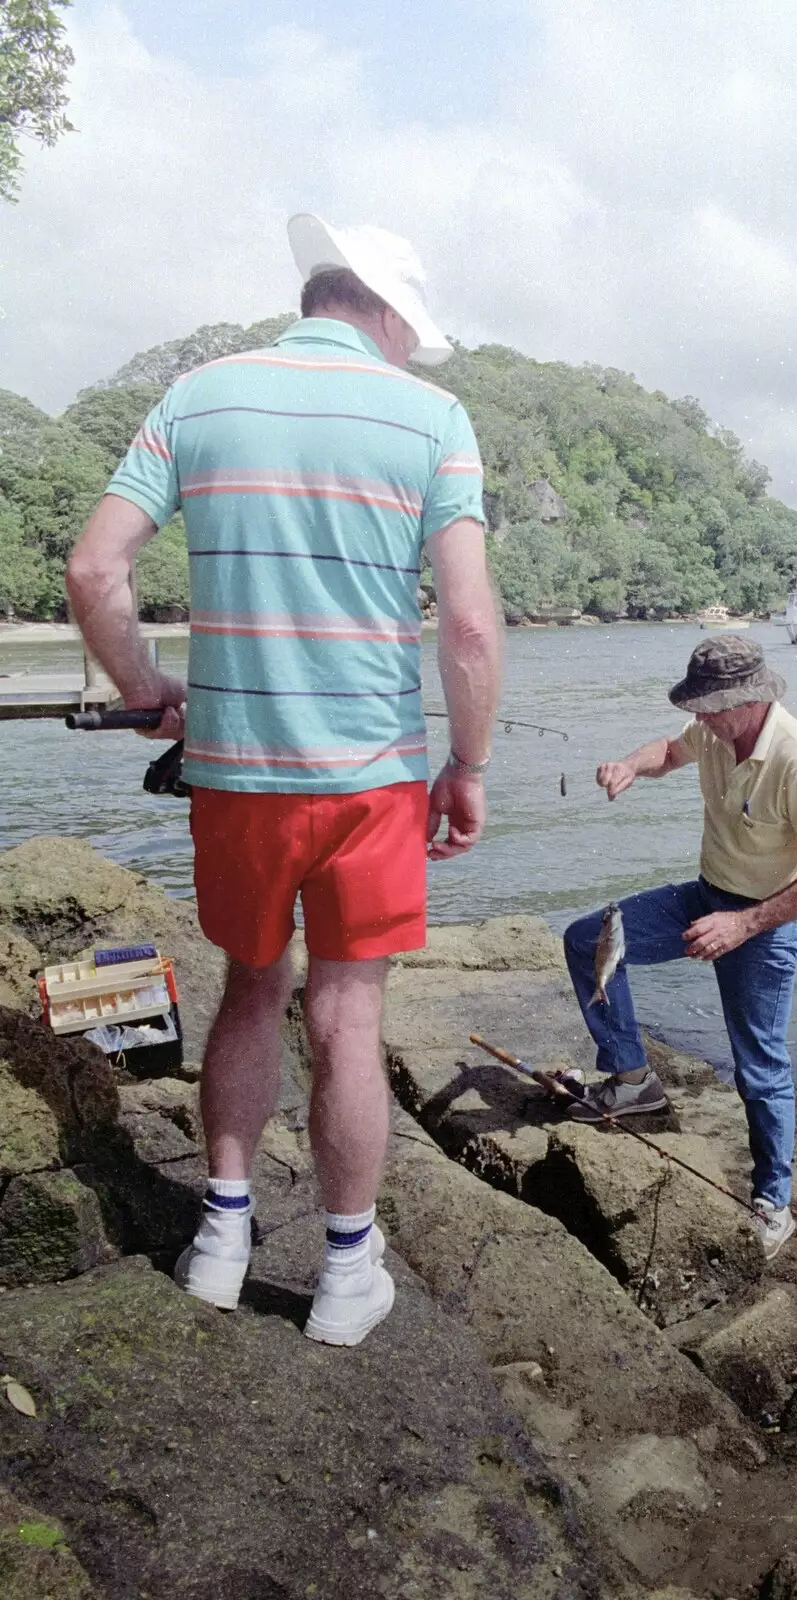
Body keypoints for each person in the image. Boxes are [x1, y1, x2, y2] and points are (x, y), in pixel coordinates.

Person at [66, 215, 500, 1343]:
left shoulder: (200, 395)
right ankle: (348, 1272)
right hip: (370, 779)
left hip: (235, 774)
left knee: (252, 985)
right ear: (388, 311)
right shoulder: (433, 419)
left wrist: (149, 682)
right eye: (414, 333)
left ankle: (220, 1232)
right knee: (349, 1013)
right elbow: (465, 623)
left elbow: (93, 565)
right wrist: (468, 763)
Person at [562, 636, 797, 1260]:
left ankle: (774, 1200)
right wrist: (629, 766)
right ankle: (632, 1078)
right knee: (589, 937)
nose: (700, 718)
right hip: (704, 894)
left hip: (764, 920)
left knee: (758, 1063)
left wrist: (744, 926)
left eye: (710, 706)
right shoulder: (715, 732)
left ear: (749, 700)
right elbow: (667, 751)